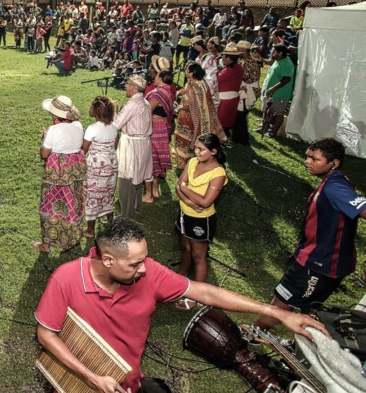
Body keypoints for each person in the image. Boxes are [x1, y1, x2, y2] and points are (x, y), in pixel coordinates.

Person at [35, 218, 328, 393]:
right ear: (108, 260)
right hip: (76, 379)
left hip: (126, 381)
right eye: (135, 264)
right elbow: (46, 334)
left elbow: (204, 292)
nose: (144, 269)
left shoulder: (150, 273)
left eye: (144, 259)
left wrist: (274, 311)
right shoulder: (66, 278)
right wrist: (91, 377)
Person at [254, 138, 366, 331]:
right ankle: (305, 345)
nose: (307, 161)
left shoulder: (335, 188)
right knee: (309, 310)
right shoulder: (335, 181)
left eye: (314, 159)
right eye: (307, 157)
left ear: (334, 163)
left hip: (317, 264)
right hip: (321, 261)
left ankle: (252, 335)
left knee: (280, 306)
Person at [173, 134, 227, 309]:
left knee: (199, 255)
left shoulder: (218, 173)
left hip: (201, 220)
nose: (196, 151)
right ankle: (180, 279)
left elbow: (205, 202)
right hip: (184, 213)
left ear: (213, 151)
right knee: (185, 247)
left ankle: (196, 296)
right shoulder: (192, 162)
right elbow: (177, 185)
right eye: (196, 147)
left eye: (201, 149)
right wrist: (189, 202)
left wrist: (185, 188)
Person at [32, 96, 86, 254]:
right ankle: (71, 240)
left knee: (50, 204)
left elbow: (44, 154)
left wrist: (45, 139)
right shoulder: (78, 125)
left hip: (56, 173)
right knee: (73, 203)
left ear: (55, 115)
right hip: (74, 170)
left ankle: (46, 244)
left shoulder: (54, 130)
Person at [172, 63, 226, 170]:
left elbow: (192, 105)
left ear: (191, 73)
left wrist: (179, 107)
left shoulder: (195, 87)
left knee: (185, 140)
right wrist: (180, 92)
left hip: (190, 120)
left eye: (187, 70)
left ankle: (184, 163)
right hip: (195, 117)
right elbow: (187, 89)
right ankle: (188, 162)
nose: (186, 72)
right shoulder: (200, 82)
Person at [113, 76, 152, 220]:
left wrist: (114, 111)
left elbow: (117, 124)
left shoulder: (133, 104)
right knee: (137, 176)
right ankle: (136, 207)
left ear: (135, 88)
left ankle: (125, 215)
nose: (126, 87)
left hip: (132, 144)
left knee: (127, 179)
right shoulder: (145, 102)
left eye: (128, 84)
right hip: (142, 143)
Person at [81, 96, 119, 239]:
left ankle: (90, 230)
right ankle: (110, 222)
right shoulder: (114, 127)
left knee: (93, 194)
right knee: (108, 192)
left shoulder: (92, 128)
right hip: (111, 164)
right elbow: (115, 145)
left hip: (96, 168)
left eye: (91, 107)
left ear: (96, 111)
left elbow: (84, 149)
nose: (89, 109)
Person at [143, 70, 175, 203]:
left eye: (156, 76)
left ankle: (151, 190)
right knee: (157, 157)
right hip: (163, 126)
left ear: (161, 79)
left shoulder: (157, 94)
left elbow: (146, 111)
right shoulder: (169, 92)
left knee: (152, 157)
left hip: (154, 128)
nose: (154, 78)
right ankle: (155, 188)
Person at [258, 44, 294, 138]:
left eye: (273, 51)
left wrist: (273, 88)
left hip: (280, 94)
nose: (271, 53)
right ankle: (264, 128)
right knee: (268, 111)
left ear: (280, 53)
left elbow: (286, 79)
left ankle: (273, 132)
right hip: (271, 93)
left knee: (278, 113)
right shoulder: (277, 61)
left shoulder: (286, 64)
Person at [232, 40, 261, 146]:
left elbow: (243, 77)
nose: (237, 51)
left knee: (241, 116)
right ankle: (237, 138)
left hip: (248, 92)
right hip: (242, 91)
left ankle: (243, 140)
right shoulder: (241, 60)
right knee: (238, 116)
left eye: (239, 49)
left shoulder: (250, 62)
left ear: (244, 51)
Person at [216, 43, 244, 138]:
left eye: (223, 56)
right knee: (227, 119)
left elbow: (218, 78)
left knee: (222, 120)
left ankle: (221, 137)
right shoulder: (237, 67)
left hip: (226, 99)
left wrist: (216, 70)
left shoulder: (229, 70)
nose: (222, 58)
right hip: (232, 98)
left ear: (228, 58)